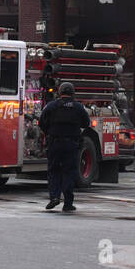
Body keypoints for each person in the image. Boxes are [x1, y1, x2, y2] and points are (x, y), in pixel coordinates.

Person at [39, 81, 90, 211]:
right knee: (69, 172)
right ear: (72, 93)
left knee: (53, 171)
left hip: (54, 143)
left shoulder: (51, 106)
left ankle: (54, 197)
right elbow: (86, 123)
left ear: (59, 92)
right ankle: (68, 203)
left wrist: (49, 133)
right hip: (72, 144)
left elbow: (41, 122)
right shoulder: (78, 107)